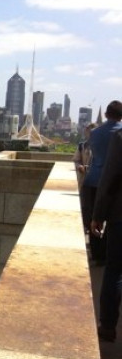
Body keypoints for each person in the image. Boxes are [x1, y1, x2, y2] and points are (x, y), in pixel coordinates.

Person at [90, 104, 122, 342]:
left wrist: (98, 214)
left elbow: (110, 176)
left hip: (117, 209)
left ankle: (108, 325)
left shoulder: (104, 135)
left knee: (114, 270)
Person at [83, 102, 122, 265]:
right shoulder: (119, 133)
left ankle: (97, 255)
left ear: (106, 114)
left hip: (94, 178)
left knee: (94, 217)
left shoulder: (95, 133)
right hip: (116, 184)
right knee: (113, 220)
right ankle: (108, 252)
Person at [73, 123, 96, 190]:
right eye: (88, 131)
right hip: (82, 178)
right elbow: (76, 160)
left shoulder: (100, 146)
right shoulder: (82, 146)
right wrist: (79, 166)